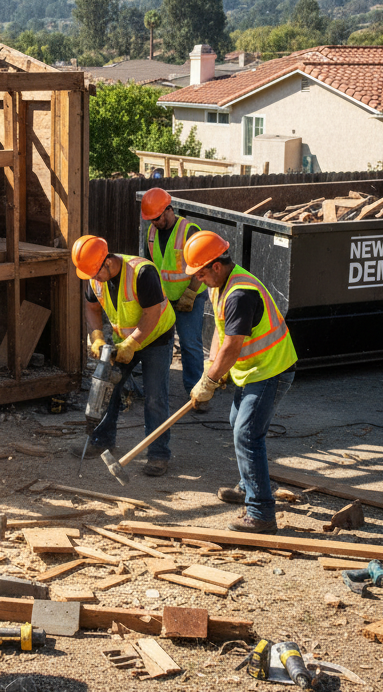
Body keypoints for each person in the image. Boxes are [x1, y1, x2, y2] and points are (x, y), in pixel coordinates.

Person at [184, 230, 298, 534]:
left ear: (216, 266)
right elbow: (221, 333)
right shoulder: (219, 286)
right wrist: (211, 368)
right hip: (253, 369)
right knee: (238, 423)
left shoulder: (239, 294)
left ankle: (261, 512)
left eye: (200, 273)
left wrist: (209, 381)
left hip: (271, 369)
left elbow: (233, 347)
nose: (197, 279)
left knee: (247, 434)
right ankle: (250, 483)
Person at [70, 234, 176, 477]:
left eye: (96, 273)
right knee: (108, 388)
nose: (94, 279)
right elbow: (92, 307)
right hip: (123, 339)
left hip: (156, 337)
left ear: (107, 262)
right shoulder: (93, 275)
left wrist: (132, 344)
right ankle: (102, 440)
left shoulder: (142, 273)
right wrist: (96, 335)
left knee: (155, 397)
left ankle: (158, 455)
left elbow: (152, 314)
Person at [140, 188, 207, 404]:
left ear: (169, 210)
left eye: (157, 218)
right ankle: (157, 392)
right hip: (165, 299)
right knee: (160, 344)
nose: (155, 223)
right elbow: (147, 266)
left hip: (191, 296)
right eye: (151, 220)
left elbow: (202, 265)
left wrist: (190, 293)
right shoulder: (150, 233)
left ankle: (196, 394)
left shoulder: (189, 230)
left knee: (190, 345)